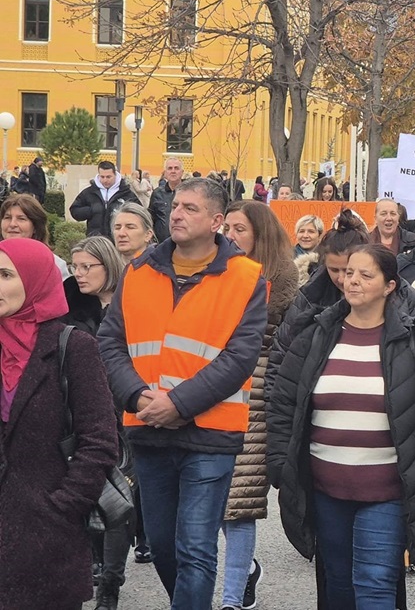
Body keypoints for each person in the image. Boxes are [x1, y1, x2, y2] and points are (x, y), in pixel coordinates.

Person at [97, 177, 267, 609]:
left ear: (215, 221)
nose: (177, 214)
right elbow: (111, 342)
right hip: (148, 427)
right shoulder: (138, 271)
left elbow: (239, 358)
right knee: (162, 545)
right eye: (175, 205)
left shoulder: (245, 277)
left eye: (190, 208)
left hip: (210, 434)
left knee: (195, 548)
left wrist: (178, 404)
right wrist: (137, 397)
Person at [268, 245, 415, 608]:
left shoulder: (412, 341)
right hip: (326, 490)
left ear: (390, 286)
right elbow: (284, 403)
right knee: (339, 585)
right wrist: (280, 465)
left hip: (387, 492)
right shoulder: (315, 334)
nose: (353, 281)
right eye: (349, 273)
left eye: (366, 275)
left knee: (375, 584)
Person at [0, 238, 119, 609]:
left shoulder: (73, 347)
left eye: (5, 275)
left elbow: (99, 441)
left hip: (48, 541)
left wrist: (62, 508)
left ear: (34, 280)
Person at [219, 201, 300, 610]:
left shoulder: (284, 282)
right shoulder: (213, 272)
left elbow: (290, 350)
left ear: (260, 234)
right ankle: (247, 568)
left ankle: (231, 598)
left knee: (240, 502)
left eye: (240, 229)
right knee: (214, 497)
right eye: (227, 228)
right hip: (211, 391)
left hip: (258, 396)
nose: (231, 236)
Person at [63, 236, 144, 610]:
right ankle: (96, 567)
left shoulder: (131, 305)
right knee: (91, 492)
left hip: (126, 410)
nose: (78, 274)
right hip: (83, 413)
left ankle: (111, 584)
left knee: (119, 499)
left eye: (86, 267)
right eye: (74, 266)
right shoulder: (69, 308)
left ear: (107, 265)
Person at [2, 193, 69, 279]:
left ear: (35, 227)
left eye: (21, 219)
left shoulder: (54, 264)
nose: (12, 224)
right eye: (7, 218)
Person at [70, 160, 139, 238]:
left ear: (115, 175)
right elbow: (74, 210)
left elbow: (139, 214)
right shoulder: (89, 192)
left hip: (118, 239)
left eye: (108, 177)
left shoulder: (126, 193)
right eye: (102, 177)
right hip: (95, 239)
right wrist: (91, 210)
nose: (105, 180)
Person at [151, 159, 186, 242]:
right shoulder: (157, 193)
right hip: (161, 243)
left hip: (184, 242)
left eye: (176, 168)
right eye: (170, 168)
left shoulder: (189, 192)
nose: (173, 171)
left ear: (182, 172)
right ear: (165, 173)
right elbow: (151, 218)